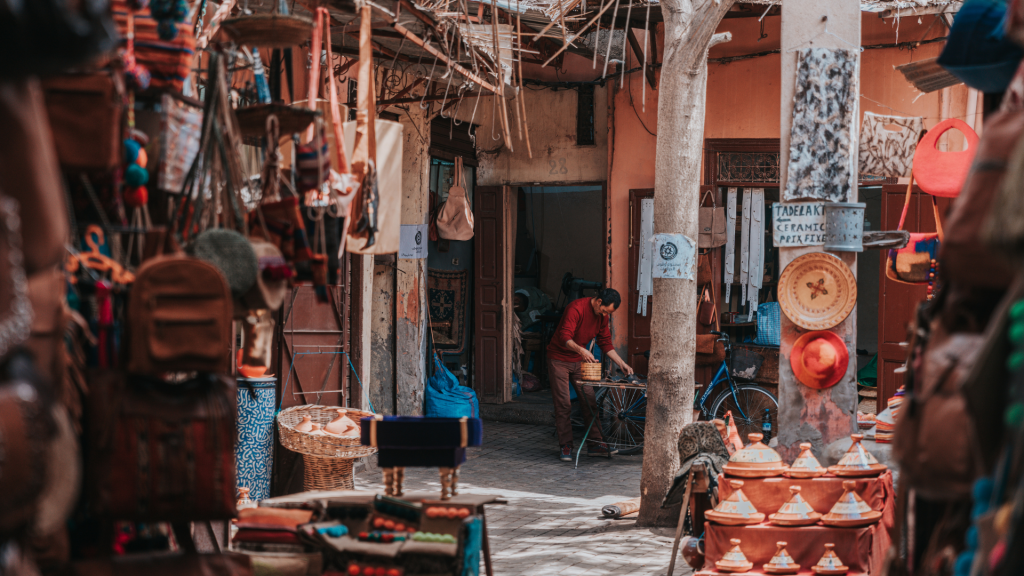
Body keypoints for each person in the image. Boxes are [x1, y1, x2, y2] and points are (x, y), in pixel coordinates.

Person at [546, 288, 633, 462]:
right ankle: (566, 445)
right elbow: (565, 336)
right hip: (559, 359)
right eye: (604, 311)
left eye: (607, 313)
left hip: (579, 360)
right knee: (563, 404)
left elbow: (605, 342)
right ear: (599, 301)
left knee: (590, 402)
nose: (604, 315)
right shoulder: (575, 308)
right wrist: (582, 350)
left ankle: (595, 444)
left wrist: (621, 363)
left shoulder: (603, 316)